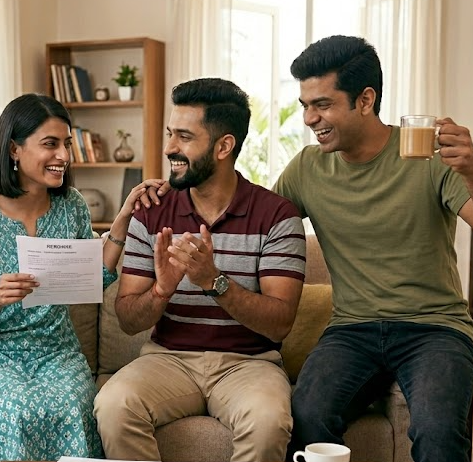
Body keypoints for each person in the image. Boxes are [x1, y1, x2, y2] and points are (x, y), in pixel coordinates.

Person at [274, 36, 473, 462]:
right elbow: (256, 223)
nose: (309, 118)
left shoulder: (429, 156)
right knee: (307, 414)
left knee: (438, 432)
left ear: (366, 99)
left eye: (322, 104)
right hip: (352, 329)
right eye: (304, 105)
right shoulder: (306, 168)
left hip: (435, 329)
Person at [0, 93, 169, 461]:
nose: (64, 155)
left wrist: (122, 219)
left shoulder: (72, 205)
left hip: (55, 351)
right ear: (14, 149)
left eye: (66, 144)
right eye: (50, 144)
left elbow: (94, 277)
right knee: (18, 412)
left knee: (76, 413)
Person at [93, 77, 306, 462]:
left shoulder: (277, 215)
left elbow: (279, 323)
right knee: (113, 404)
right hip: (168, 359)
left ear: (224, 146)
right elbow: (127, 319)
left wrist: (214, 281)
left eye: (185, 137)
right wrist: (161, 291)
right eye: (171, 133)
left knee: (268, 422)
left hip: (250, 364)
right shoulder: (152, 211)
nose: (169, 148)